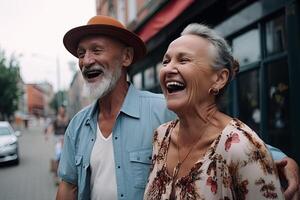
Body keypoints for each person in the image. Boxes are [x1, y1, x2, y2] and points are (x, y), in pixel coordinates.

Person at [56, 15, 299, 200]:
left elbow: (232, 142)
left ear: (126, 58)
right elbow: (68, 185)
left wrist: (284, 160)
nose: (86, 61)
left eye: (96, 50)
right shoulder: (78, 125)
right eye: (81, 53)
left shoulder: (165, 108)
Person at [143, 23, 288, 199]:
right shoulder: (161, 136)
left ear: (219, 79)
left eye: (183, 60)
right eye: (166, 61)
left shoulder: (241, 147)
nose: (168, 69)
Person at [46, 105, 69, 184]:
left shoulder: (67, 119)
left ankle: (66, 174)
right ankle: (56, 175)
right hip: (58, 139)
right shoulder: (56, 119)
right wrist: (47, 135)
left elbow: (71, 128)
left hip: (66, 139)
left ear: (64, 111)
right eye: (60, 110)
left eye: (63, 110)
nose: (62, 112)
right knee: (58, 155)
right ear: (59, 111)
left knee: (66, 156)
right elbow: (51, 127)